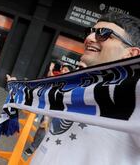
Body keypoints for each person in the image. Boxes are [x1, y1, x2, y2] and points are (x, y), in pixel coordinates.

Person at [28, 12, 140, 164]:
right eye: (90, 32)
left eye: (104, 34)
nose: (89, 38)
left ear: (131, 54)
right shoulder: (80, 87)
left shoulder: (134, 101)